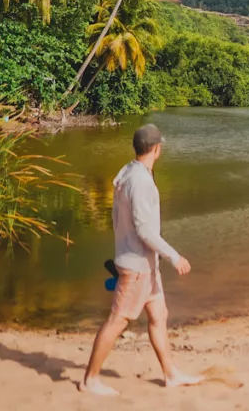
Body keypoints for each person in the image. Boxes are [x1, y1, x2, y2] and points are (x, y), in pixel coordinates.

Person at [80, 123, 202, 395]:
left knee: (159, 315)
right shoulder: (140, 182)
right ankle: (90, 380)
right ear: (157, 149)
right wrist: (174, 256)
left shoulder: (129, 172)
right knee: (118, 320)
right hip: (136, 267)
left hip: (145, 265)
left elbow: (118, 219)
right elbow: (145, 230)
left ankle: (171, 374)